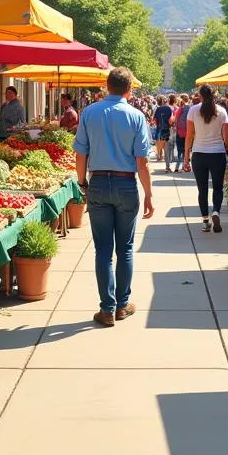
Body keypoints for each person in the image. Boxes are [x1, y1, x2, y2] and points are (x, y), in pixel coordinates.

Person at [74, 67, 154, 327]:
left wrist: (83, 182)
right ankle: (122, 305)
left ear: (106, 87)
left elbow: (80, 154)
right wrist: (149, 194)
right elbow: (142, 162)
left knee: (103, 250)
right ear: (129, 89)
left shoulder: (89, 112)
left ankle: (106, 308)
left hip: (98, 181)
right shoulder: (136, 116)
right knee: (126, 248)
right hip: (125, 184)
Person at [183, 85, 228, 232]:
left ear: (200, 95)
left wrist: (186, 156)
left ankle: (205, 220)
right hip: (217, 154)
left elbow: (189, 135)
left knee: (202, 190)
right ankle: (216, 211)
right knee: (217, 187)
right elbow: (226, 138)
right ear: (214, 94)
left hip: (199, 154)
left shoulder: (193, 110)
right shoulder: (222, 111)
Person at [152, 96, 172, 163]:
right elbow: (171, 119)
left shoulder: (158, 109)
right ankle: (164, 155)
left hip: (159, 126)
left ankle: (159, 155)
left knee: (158, 141)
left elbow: (154, 119)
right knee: (165, 141)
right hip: (167, 127)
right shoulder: (169, 108)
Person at [175, 94, 191, 170]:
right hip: (188, 132)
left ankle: (179, 167)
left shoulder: (181, 109)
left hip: (181, 132)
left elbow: (177, 120)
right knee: (187, 150)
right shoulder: (190, 108)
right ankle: (185, 166)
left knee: (180, 150)